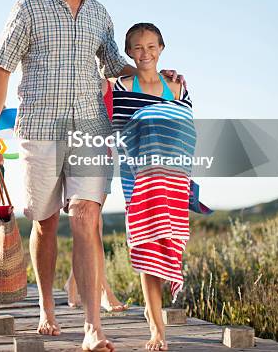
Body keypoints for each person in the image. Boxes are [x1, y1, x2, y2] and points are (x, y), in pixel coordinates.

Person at [0, 0, 184, 352]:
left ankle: (93, 327)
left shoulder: (99, 14)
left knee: (86, 216)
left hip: (92, 128)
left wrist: (157, 79)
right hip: (39, 129)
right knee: (45, 221)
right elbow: (1, 69)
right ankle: (46, 307)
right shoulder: (30, 7)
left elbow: (115, 64)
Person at [113, 23, 195, 351]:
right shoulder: (120, 87)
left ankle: (153, 311)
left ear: (161, 48)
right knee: (148, 245)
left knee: (167, 241)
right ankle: (157, 328)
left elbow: (187, 131)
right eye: (137, 47)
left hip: (173, 180)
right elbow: (117, 131)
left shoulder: (176, 87)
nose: (145, 53)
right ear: (129, 52)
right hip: (139, 179)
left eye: (151, 47)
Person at [64, 78, 127, 313]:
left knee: (90, 226)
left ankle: (73, 283)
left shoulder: (114, 86)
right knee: (93, 225)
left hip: (105, 158)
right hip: (78, 157)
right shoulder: (75, 81)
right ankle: (103, 290)